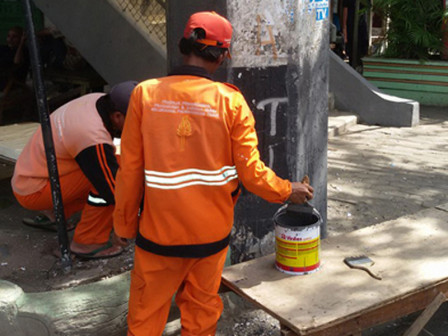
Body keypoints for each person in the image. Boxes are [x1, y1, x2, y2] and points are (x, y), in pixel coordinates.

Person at [113, 11, 314, 336]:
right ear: (221, 55)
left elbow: (130, 169)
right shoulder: (231, 102)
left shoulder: (145, 95)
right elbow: (251, 174)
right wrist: (287, 189)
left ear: (183, 46)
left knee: (144, 320)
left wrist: (123, 223)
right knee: (201, 318)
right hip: (210, 239)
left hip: (157, 238)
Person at [11, 81, 137, 259]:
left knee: (111, 165)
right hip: (36, 190)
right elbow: (112, 188)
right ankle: (87, 242)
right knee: (116, 179)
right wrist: (126, 223)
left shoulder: (97, 100)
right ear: (117, 116)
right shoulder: (92, 136)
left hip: (28, 179)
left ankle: (54, 213)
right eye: (136, 119)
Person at [342, 0, 370, 72]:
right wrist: (345, 32)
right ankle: (353, 66)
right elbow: (345, 14)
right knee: (351, 49)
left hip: (361, 25)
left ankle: (359, 65)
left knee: (362, 46)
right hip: (351, 25)